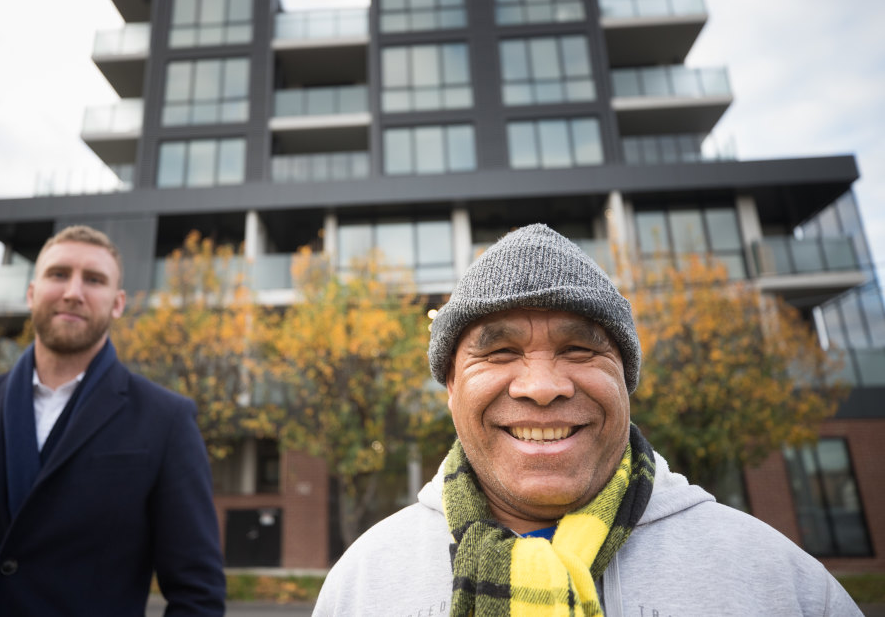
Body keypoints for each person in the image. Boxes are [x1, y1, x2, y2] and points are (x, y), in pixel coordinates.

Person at [314, 223, 860, 616]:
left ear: (625, 380)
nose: (543, 387)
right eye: (500, 353)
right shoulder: (362, 584)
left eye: (579, 349)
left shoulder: (779, 584)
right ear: (452, 388)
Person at [0, 225, 225, 616]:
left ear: (118, 303)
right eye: (58, 274)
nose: (73, 292)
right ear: (31, 292)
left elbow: (198, 594)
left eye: (94, 279)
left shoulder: (166, 421)